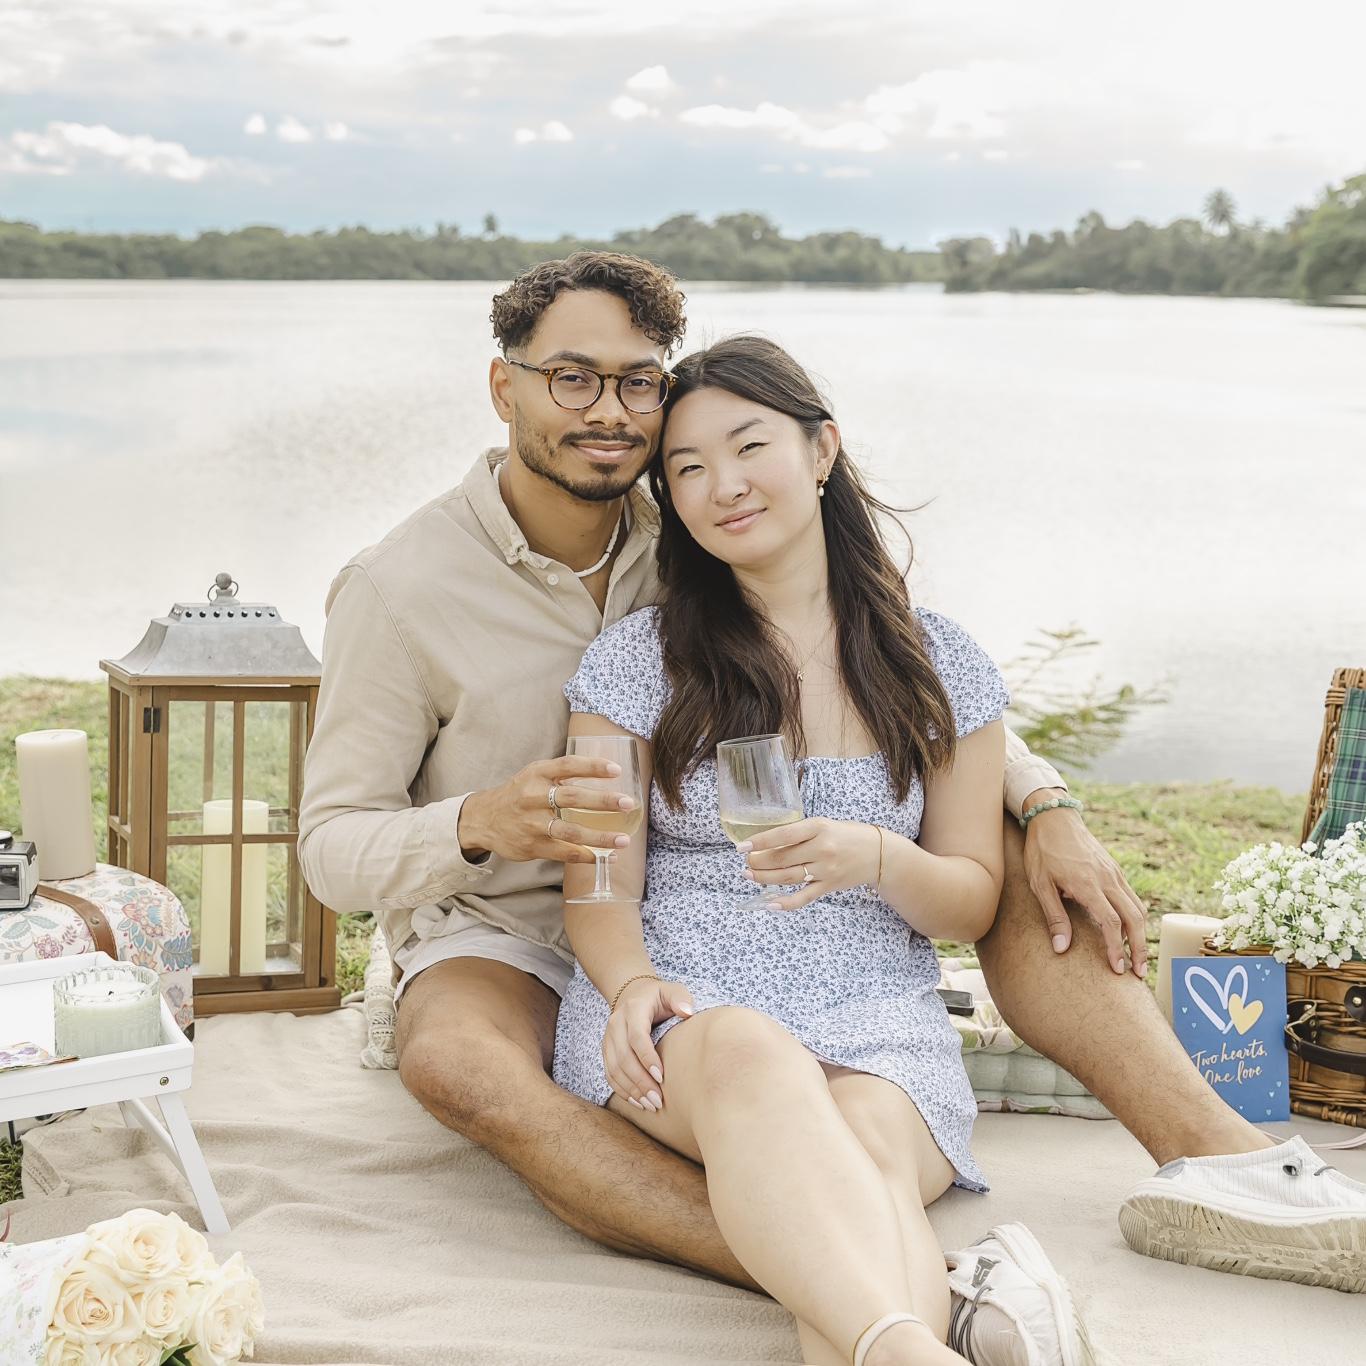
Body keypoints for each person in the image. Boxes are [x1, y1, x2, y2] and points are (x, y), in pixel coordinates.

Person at [296, 253, 1365, 1355]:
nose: (609, 412)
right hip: (519, 925)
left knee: (998, 872)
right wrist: (479, 823)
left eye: (636, 381)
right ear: (504, 385)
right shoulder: (404, 586)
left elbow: (899, 676)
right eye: (572, 377)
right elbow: (330, 848)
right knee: (475, 1063)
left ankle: (1217, 1164)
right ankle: (935, 1295)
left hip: (828, 952)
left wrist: (1045, 801)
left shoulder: (692, 523)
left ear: (814, 447)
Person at [550, 332, 1091, 1365]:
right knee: (749, 1049)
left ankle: (896, 1347)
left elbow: (970, 900)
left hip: (877, 1010)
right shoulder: (634, 664)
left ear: (823, 450)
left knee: (869, 1143)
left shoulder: (938, 666)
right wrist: (631, 986)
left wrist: (877, 857)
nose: (722, 486)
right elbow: (599, 885)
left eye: (748, 446)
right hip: (687, 1004)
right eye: (686, 469)